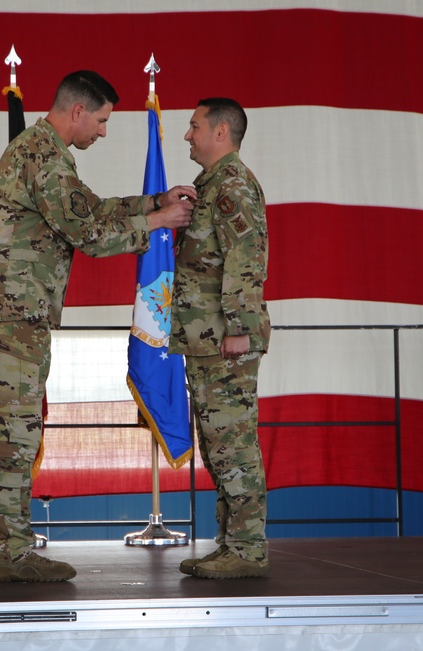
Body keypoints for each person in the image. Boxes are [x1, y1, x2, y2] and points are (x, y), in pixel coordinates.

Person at [0, 70, 196, 583]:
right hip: (10, 313)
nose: (104, 132)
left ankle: (8, 545)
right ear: (77, 112)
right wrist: (157, 223)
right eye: (103, 120)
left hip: (11, 311)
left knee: (8, 429)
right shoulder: (44, 156)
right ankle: (10, 554)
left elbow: (86, 208)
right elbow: (87, 231)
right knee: (12, 432)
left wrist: (152, 202)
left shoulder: (45, 151)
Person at [170, 98, 271, 579]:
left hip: (224, 338)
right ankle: (231, 543)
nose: (187, 135)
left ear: (221, 131)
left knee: (234, 442)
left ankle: (249, 549)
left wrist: (239, 329)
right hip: (205, 337)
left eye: (194, 127)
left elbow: (246, 259)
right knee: (218, 444)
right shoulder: (212, 187)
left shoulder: (231, 185)